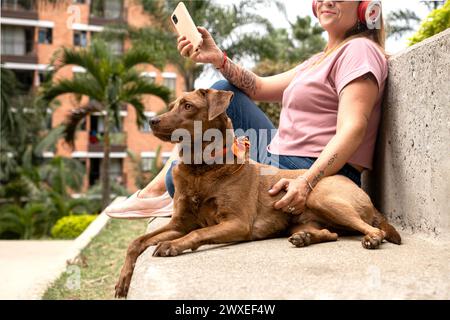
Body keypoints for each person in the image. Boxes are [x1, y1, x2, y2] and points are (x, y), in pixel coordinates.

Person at [105, 0, 389, 219]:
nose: (328, 1)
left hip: (313, 169)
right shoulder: (319, 59)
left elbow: (354, 127)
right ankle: (158, 193)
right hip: (280, 154)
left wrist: (307, 182)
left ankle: (159, 192)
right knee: (223, 91)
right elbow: (259, 88)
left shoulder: (359, 51)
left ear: (366, 8)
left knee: (177, 179)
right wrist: (218, 58)